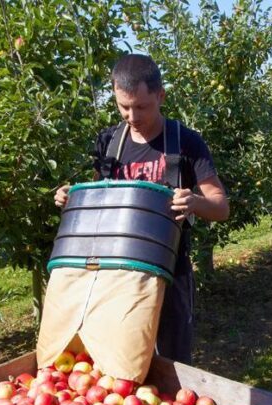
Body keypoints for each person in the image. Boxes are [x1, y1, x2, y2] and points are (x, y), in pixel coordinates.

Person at [52, 53, 229, 364]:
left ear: (160, 96)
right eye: (123, 107)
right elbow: (99, 196)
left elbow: (221, 207)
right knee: (116, 356)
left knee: (170, 362)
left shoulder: (186, 143)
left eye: (141, 106)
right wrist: (73, 199)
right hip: (113, 273)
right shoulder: (108, 141)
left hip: (168, 273)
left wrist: (195, 202)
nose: (131, 116)